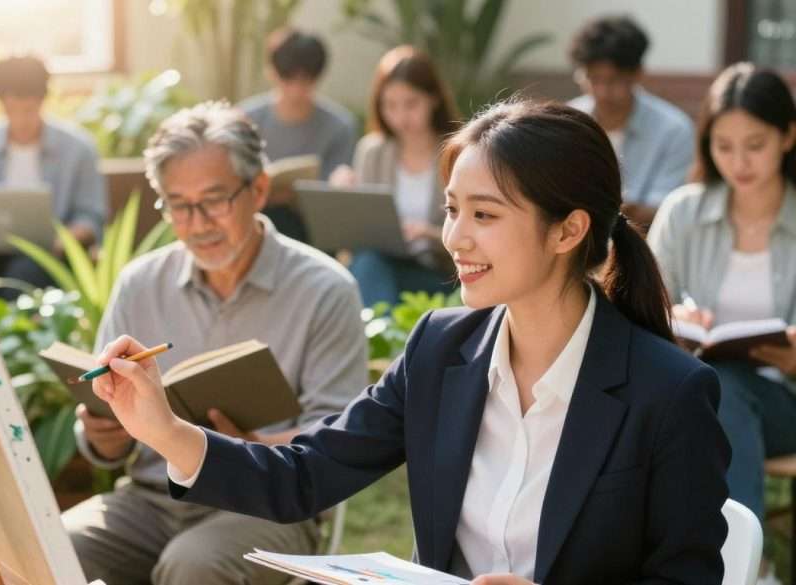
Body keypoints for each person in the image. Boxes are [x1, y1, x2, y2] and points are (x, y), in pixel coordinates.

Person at [88, 100, 731, 585]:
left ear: (568, 231)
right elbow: (303, 476)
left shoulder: (668, 393)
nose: (455, 239)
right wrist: (163, 428)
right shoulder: (440, 350)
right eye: (452, 210)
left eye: (485, 215)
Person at [61, 102, 367, 585]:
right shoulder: (140, 282)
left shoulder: (325, 289)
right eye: (178, 205)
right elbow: (107, 436)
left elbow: (338, 440)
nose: (198, 223)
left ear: (259, 189)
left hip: (265, 503)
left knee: (194, 565)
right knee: (54, 550)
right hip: (150, 498)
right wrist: (104, 434)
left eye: (214, 200)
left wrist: (252, 452)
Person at [648, 63, 796, 523]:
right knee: (710, 390)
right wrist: (675, 318)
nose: (739, 163)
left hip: (784, 405)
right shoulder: (682, 212)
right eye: (724, 146)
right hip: (691, 396)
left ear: (787, 137)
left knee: (722, 388)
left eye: (755, 146)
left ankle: (740, 565)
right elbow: (637, 309)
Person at [0, 54, 107, 291]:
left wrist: (62, 241)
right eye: (12, 108)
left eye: (29, 109)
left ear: (43, 101)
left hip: (49, 254)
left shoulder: (79, 149)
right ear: (1, 103)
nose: (21, 119)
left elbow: (91, 215)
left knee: (22, 276)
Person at [331, 45, 459, 307]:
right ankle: (380, 340)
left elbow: (475, 232)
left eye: (411, 104)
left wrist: (430, 235)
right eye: (390, 106)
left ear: (433, 98)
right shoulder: (373, 151)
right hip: (380, 264)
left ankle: (377, 341)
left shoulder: (459, 152)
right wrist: (343, 198)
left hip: (437, 272)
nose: (400, 117)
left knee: (367, 270)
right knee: (367, 262)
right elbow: (360, 232)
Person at [567, 15, 694, 227]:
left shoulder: (673, 130)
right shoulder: (566, 121)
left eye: (613, 80)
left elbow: (670, 206)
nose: (602, 92)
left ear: (637, 74)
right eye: (593, 79)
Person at [239, 28, 357, 242]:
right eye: (288, 79)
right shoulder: (246, 118)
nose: (296, 90)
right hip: (255, 218)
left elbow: (335, 193)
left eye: (305, 80)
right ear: (271, 72)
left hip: (311, 225)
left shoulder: (340, 126)